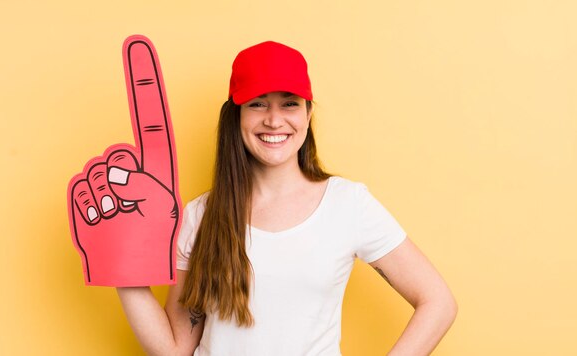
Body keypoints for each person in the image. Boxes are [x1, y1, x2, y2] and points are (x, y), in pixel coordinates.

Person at [116, 41, 457, 356]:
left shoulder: (348, 204)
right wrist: (115, 259)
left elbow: (438, 301)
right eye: (258, 104)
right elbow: (175, 349)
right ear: (237, 117)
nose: (274, 120)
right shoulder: (201, 215)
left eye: (289, 104)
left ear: (308, 114)